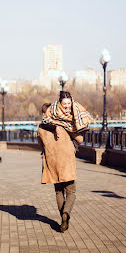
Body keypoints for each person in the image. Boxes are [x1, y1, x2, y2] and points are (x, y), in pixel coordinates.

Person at [38, 91, 93, 232]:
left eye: (69, 103)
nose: (68, 106)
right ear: (60, 104)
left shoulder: (44, 126)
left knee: (58, 191)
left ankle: (63, 216)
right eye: (65, 104)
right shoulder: (68, 123)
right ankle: (65, 213)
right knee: (71, 191)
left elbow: (40, 143)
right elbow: (80, 136)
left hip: (52, 161)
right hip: (66, 160)